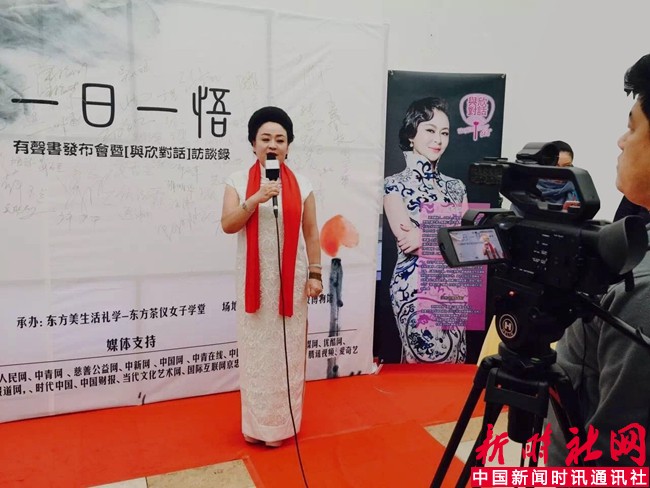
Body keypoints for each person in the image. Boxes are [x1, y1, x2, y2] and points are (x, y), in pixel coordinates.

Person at [548, 54, 650, 466]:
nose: (622, 141)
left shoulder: (641, 293)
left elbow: (617, 458)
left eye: (633, 127)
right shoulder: (634, 229)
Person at [220, 106, 322, 447]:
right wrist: (256, 198)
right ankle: (255, 426)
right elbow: (228, 224)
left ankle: (280, 427)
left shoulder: (303, 184)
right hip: (254, 284)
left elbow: (311, 232)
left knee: (285, 354)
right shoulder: (237, 180)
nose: (272, 144)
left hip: (291, 283)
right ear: (253, 143)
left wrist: (315, 273)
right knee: (257, 355)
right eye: (265, 138)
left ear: (288, 146)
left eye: (280, 139)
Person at [383, 97, 468, 363]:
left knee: (454, 366)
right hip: (414, 289)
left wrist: (424, 235)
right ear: (411, 134)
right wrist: (450, 236)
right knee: (421, 368)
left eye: (444, 133)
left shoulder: (457, 187)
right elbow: (407, 242)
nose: (438, 140)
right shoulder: (394, 184)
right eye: (430, 130)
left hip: (455, 288)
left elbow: (469, 245)